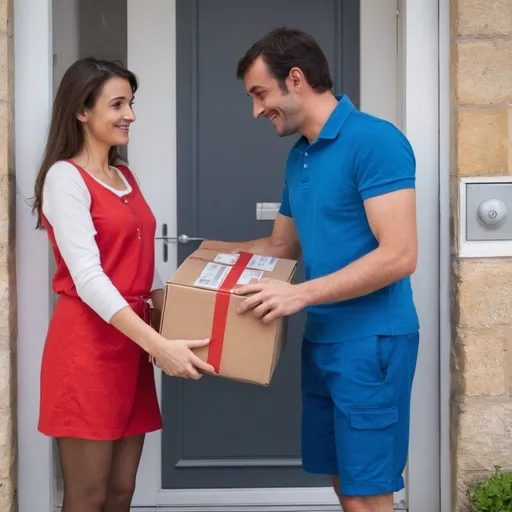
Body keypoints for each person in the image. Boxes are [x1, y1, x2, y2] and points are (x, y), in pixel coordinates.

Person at [201, 28, 420, 512]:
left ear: (295, 79)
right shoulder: (300, 155)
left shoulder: (375, 141)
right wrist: (199, 259)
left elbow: (400, 253)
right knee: (345, 485)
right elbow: (279, 245)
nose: (256, 110)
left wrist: (300, 295)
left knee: (368, 491)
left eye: (260, 93)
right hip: (323, 340)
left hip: (372, 343)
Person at [33, 57, 215, 512]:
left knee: (121, 491)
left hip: (132, 346)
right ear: (82, 111)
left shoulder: (124, 176)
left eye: (131, 103)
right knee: (88, 495)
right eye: (117, 104)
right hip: (87, 349)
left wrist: (176, 322)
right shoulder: (64, 178)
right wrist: (159, 343)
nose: (130, 114)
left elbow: (143, 267)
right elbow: (90, 279)